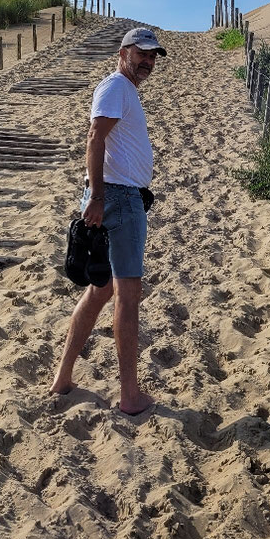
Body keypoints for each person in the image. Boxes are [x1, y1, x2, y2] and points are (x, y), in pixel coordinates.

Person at [49, 25, 166, 415]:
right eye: (142, 54)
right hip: (118, 197)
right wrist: (97, 196)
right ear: (123, 52)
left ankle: (63, 378)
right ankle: (130, 396)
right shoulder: (116, 87)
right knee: (128, 295)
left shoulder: (122, 89)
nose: (147, 61)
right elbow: (94, 139)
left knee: (100, 290)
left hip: (115, 196)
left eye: (152, 56)